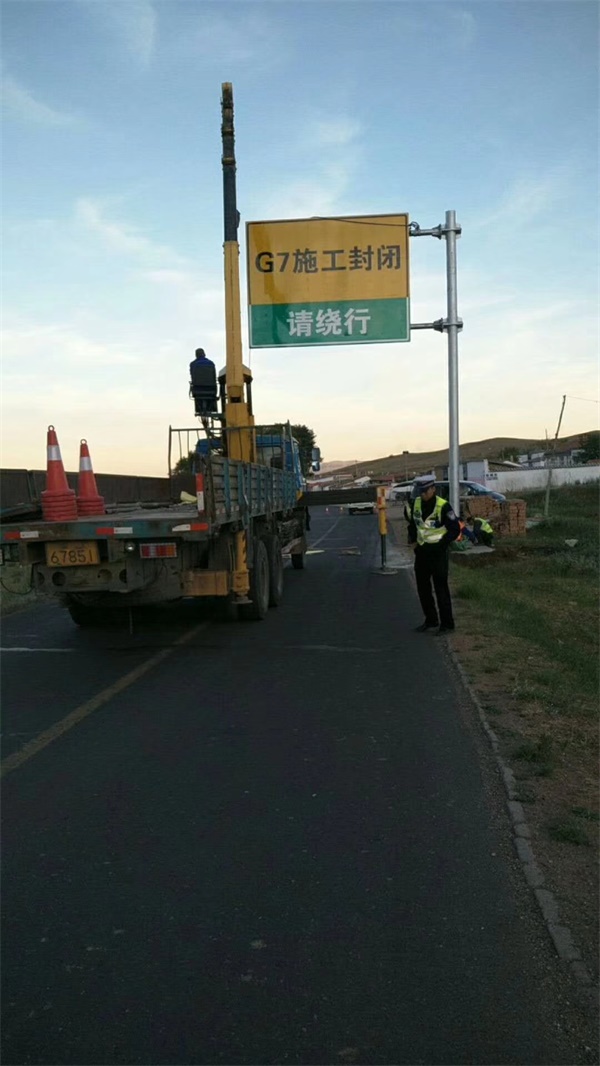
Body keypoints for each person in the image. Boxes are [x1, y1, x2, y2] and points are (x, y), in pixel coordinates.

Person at [407, 474, 461, 634]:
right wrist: (413, 542)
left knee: (441, 589)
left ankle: (447, 624)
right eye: (420, 491)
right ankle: (431, 620)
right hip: (422, 553)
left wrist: (442, 544)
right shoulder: (416, 503)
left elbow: (455, 529)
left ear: (433, 489)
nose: (423, 494)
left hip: (438, 554)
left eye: (425, 491)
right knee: (423, 589)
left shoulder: (443, 506)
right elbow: (413, 525)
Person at [189, 348, 218, 416]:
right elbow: (214, 376)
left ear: (196, 355)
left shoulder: (193, 364)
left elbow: (192, 375)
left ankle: (201, 409)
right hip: (211, 390)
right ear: (204, 354)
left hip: (198, 390)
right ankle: (210, 407)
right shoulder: (211, 363)